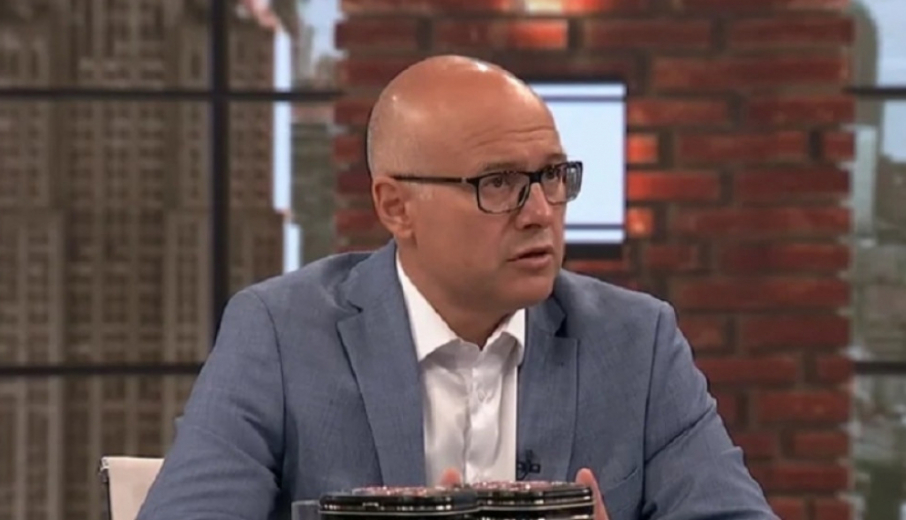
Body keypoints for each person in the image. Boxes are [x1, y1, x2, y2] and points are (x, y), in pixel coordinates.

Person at [137, 55, 777, 520]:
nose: (540, 212)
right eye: (498, 183)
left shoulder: (636, 342)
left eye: (553, 176)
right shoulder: (279, 335)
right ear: (396, 207)